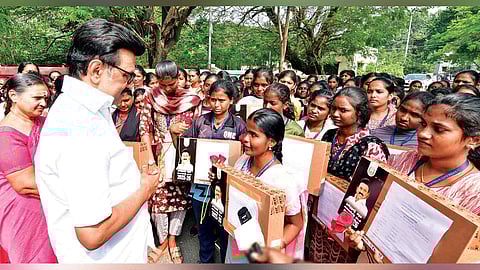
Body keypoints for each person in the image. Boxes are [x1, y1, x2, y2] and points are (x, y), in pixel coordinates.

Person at [34, 18, 159, 263]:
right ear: (96, 70)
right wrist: (145, 189)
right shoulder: (80, 129)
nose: (129, 85)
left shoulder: (89, 110)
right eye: (127, 75)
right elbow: (92, 233)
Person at [310, 87, 389, 263]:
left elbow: (372, 195)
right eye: (334, 109)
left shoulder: (371, 146)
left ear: (359, 114)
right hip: (321, 213)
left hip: (347, 224)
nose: (335, 114)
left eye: (343, 110)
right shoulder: (329, 135)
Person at [139, 59, 202, 264]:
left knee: (180, 199)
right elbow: (145, 128)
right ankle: (163, 239)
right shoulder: (151, 96)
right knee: (158, 199)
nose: (167, 89)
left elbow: (197, 131)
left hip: (183, 157)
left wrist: (177, 133)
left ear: (178, 78)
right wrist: (149, 157)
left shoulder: (192, 99)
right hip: (158, 155)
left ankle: (171, 242)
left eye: (171, 84)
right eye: (162, 85)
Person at [225, 108, 306, 263]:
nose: (245, 139)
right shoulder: (243, 161)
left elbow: (295, 223)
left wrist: (275, 246)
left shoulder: (282, 180)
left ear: (272, 142)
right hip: (236, 241)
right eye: (247, 132)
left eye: (254, 135)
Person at [182, 80, 247, 263]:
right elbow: (186, 147)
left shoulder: (239, 125)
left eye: (222, 100)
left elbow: (245, 158)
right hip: (201, 188)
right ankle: (205, 261)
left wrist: (225, 172)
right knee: (204, 230)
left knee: (225, 231)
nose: (217, 105)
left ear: (231, 101)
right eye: (213, 100)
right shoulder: (200, 121)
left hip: (226, 190)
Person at [388, 94, 480, 216]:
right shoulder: (405, 160)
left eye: (439, 129)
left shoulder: (474, 193)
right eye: (423, 124)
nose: (423, 134)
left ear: (474, 140)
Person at [0, 73, 56, 263]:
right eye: (37, 98)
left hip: (49, 204)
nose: (43, 103)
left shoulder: (44, 123)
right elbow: (25, 184)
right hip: (24, 212)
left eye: (46, 98)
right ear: (13, 96)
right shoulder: (6, 135)